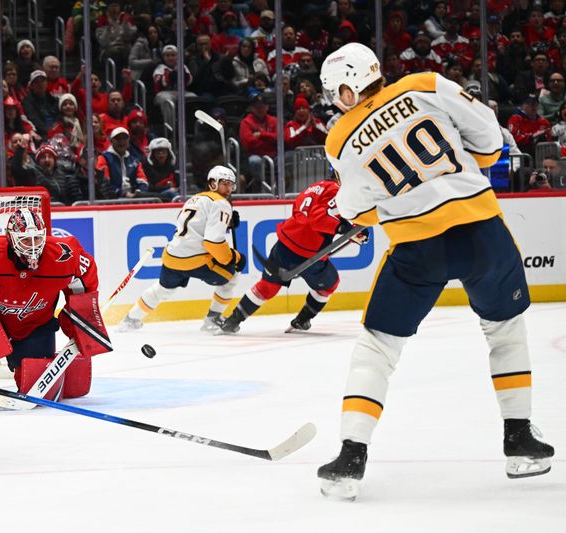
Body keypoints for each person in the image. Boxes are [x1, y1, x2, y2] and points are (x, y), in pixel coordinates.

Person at [315, 42, 554, 500]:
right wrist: (461, 171)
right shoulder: (424, 84)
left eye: (334, 94)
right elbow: (489, 138)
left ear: (346, 90)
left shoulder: (340, 137)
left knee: (377, 347)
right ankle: (520, 438)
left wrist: (380, 211)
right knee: (505, 331)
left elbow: (358, 207)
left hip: (417, 245)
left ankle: (350, 456)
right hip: (481, 229)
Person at [0, 208, 105, 398]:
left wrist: (79, 327)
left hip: (34, 325)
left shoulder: (65, 256)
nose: (33, 247)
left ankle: (64, 370)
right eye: (26, 240)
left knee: (40, 394)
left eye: (37, 239)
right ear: (11, 238)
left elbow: (84, 285)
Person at [219, 175, 367, 334]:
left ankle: (232, 321)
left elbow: (302, 210)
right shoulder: (337, 192)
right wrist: (344, 229)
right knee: (330, 284)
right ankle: (302, 320)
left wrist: (350, 229)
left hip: (284, 244)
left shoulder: (316, 187)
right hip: (309, 254)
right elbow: (318, 218)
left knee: (267, 286)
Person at [118, 166, 245, 333]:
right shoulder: (221, 203)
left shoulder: (194, 199)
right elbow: (213, 242)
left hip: (172, 256)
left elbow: (193, 227)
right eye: (224, 184)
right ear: (213, 183)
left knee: (162, 289)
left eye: (231, 185)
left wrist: (226, 223)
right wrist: (234, 258)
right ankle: (212, 320)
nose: (228, 189)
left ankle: (130, 319)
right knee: (232, 275)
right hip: (197, 259)